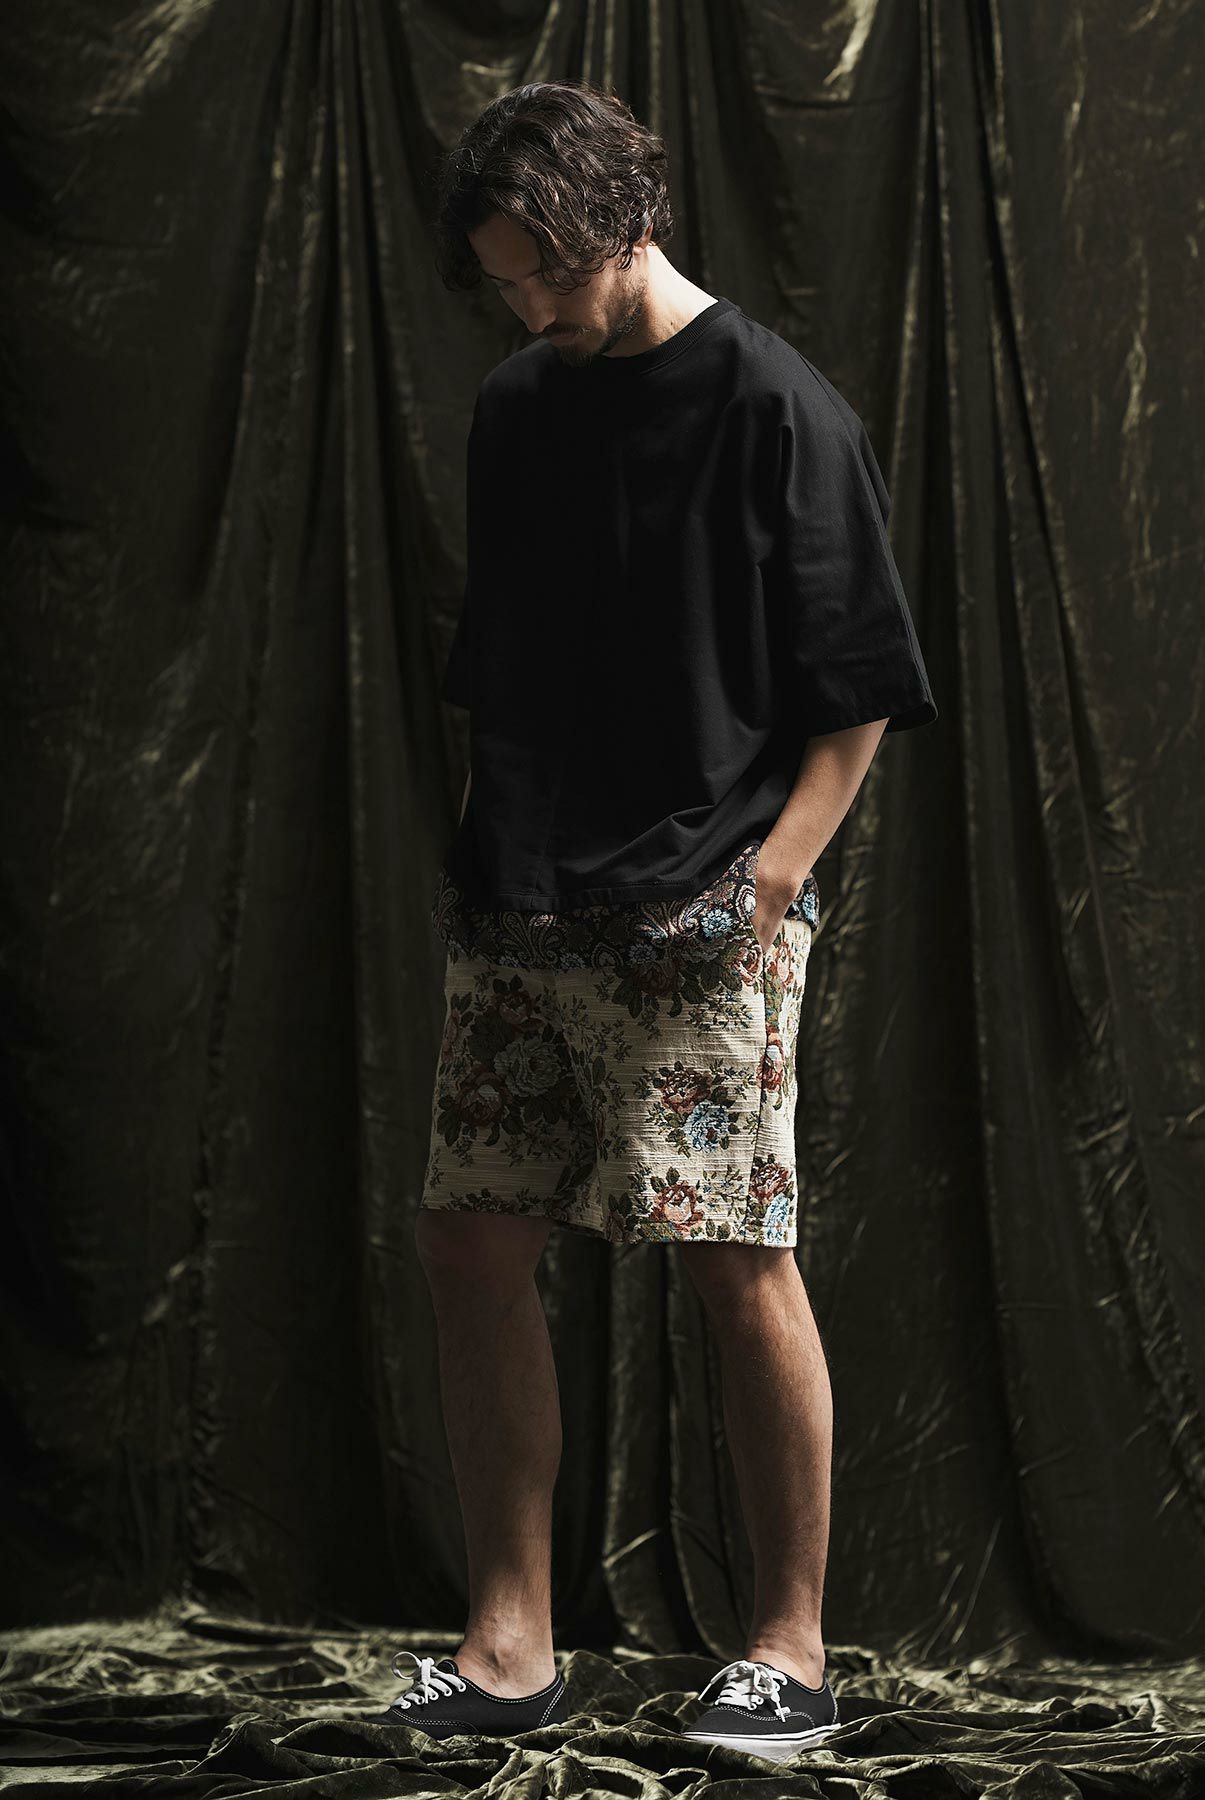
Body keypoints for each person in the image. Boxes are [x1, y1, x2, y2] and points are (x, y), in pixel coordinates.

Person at [374, 79, 938, 1754]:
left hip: (701, 903)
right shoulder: (516, 408)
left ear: (622, 219)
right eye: (503, 283)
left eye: (545, 272)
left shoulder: (777, 405)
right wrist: (494, 857)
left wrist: (771, 878)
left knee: (732, 1260)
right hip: (520, 895)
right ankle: (509, 1650)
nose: (527, 308)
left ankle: (790, 1654)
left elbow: (860, 685)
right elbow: (510, 665)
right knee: (469, 1243)